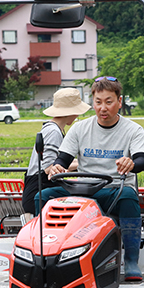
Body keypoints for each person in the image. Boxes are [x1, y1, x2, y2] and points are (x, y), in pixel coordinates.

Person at [35, 76, 144, 281]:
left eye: (109, 102)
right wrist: (57, 167)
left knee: (129, 196)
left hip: (114, 188)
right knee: (43, 196)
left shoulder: (133, 130)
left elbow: (141, 160)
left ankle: (131, 260)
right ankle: (43, 254)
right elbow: (63, 159)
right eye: (98, 102)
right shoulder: (80, 128)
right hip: (83, 190)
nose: (103, 108)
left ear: (119, 102)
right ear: (92, 102)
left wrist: (131, 163)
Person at [22, 88, 90, 216]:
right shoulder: (54, 132)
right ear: (71, 112)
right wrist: (84, 163)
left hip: (36, 190)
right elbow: (49, 168)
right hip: (40, 194)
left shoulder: (52, 128)